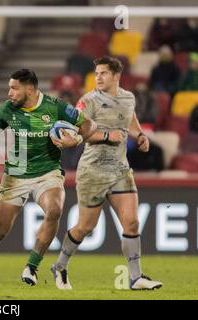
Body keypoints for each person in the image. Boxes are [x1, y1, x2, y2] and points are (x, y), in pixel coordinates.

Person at [0, 69, 96, 295]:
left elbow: (90, 126)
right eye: (9, 88)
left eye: (14, 88)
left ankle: (31, 267)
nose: (9, 93)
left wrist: (74, 140)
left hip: (48, 172)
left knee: (54, 209)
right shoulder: (8, 108)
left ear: (30, 88)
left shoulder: (55, 106)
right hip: (16, 174)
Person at [51, 56, 163, 291]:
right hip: (92, 171)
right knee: (85, 227)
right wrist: (105, 136)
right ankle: (60, 265)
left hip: (120, 169)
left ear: (116, 76)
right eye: (96, 73)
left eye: (103, 73)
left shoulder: (128, 98)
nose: (98, 77)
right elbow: (78, 134)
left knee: (131, 222)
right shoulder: (88, 101)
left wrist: (140, 136)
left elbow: (129, 118)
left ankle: (136, 278)